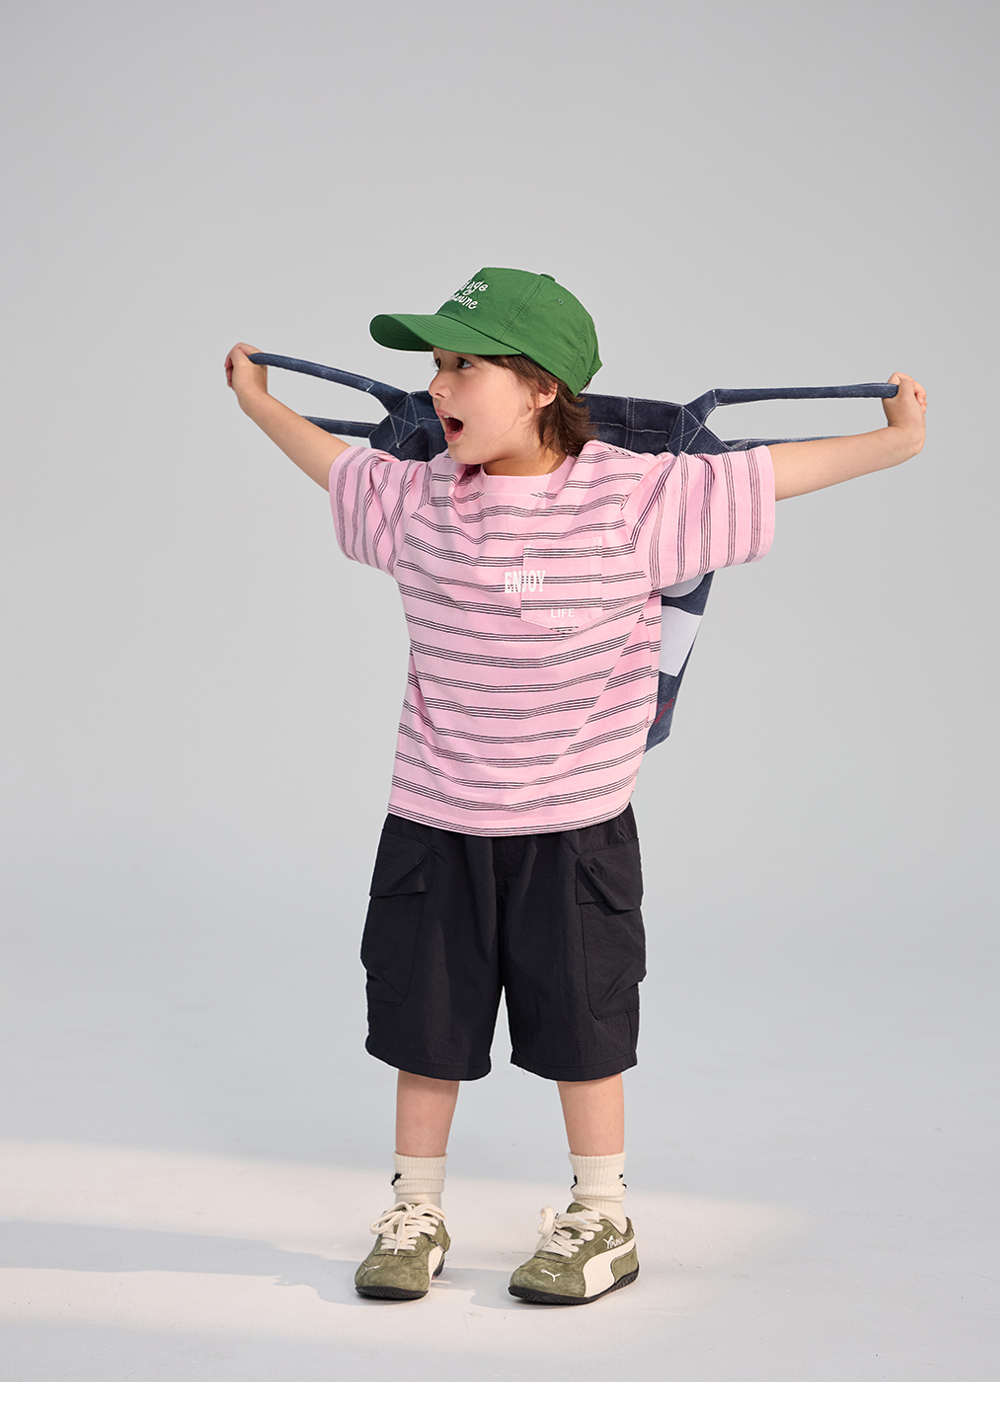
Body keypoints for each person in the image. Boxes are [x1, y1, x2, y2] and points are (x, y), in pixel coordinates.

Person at [225, 267, 926, 1306]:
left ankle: (602, 1215)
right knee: (425, 1030)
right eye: (436, 364)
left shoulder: (635, 498)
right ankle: (415, 1209)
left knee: (585, 1031)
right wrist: (259, 402)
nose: (438, 386)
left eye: (465, 366)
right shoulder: (419, 500)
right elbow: (334, 466)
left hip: (575, 830)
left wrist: (896, 441)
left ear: (543, 386)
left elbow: (763, 474)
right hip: (435, 822)